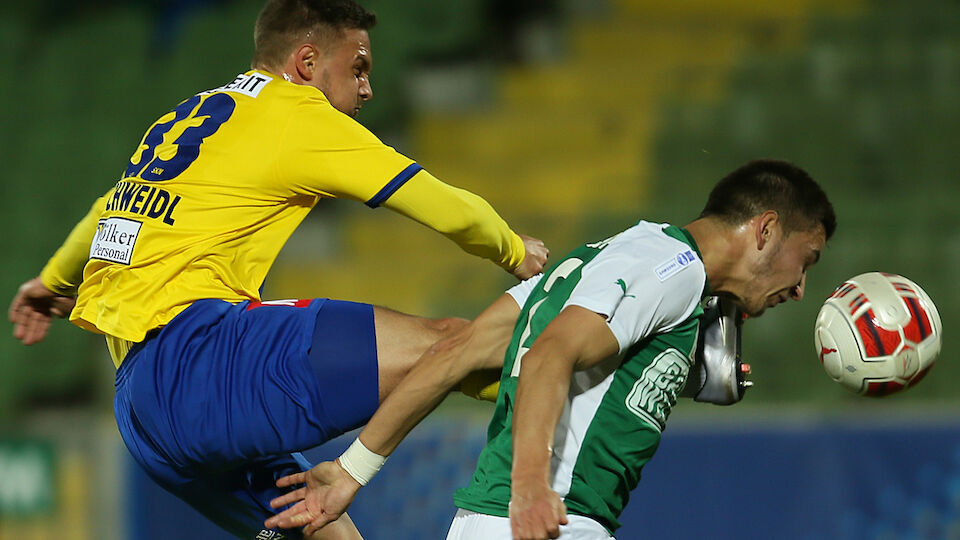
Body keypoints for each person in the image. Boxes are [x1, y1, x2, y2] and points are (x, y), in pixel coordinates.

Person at [8, 1, 549, 539]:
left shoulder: (192, 112)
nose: (367, 90)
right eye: (358, 67)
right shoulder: (297, 112)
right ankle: (586, 374)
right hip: (196, 358)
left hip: (142, 414)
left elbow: (110, 204)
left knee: (323, 526)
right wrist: (512, 249)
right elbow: (439, 203)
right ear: (308, 63)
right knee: (454, 343)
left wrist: (52, 280)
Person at [262, 159, 836, 539]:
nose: (801, 287)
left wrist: (353, 469)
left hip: (485, 524)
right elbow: (548, 357)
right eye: (805, 261)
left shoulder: (598, 261)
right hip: (549, 519)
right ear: (764, 231)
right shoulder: (675, 268)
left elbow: (453, 354)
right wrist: (532, 488)